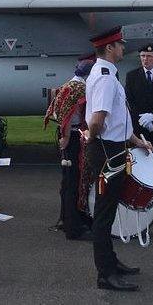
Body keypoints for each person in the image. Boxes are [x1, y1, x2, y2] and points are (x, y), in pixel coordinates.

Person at [86, 27, 153, 292]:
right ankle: (105, 274)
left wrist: (136, 141)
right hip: (106, 150)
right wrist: (95, 139)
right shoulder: (104, 78)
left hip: (113, 147)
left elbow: (117, 119)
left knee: (110, 210)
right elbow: (98, 120)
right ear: (110, 48)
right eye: (120, 45)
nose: (124, 48)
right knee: (104, 215)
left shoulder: (108, 75)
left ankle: (111, 262)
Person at [43, 55, 94, 240]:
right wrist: (65, 136)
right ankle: (74, 227)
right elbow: (67, 115)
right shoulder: (79, 89)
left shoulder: (69, 85)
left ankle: (68, 219)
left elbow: (57, 110)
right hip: (72, 136)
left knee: (68, 182)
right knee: (73, 182)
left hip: (69, 134)